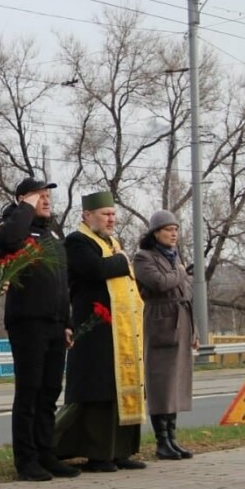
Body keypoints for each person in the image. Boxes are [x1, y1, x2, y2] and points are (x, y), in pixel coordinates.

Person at [0, 177, 78, 482]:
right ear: (21, 199)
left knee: (49, 391)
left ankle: (46, 453)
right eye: (38, 195)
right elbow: (9, 240)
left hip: (55, 322)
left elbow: (62, 279)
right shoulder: (12, 227)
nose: (45, 199)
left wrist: (67, 322)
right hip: (28, 321)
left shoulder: (53, 231)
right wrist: (24, 210)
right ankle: (26, 460)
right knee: (29, 392)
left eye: (47, 195)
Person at [54, 191, 146, 472]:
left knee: (118, 389)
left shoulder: (112, 243)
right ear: (87, 216)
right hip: (92, 328)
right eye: (105, 214)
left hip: (118, 330)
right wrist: (121, 261)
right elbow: (95, 270)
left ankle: (120, 450)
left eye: (113, 214)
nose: (111, 220)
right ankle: (96, 454)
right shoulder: (77, 241)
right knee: (96, 392)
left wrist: (118, 259)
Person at [133, 210, 198, 461]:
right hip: (160, 321)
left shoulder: (176, 258)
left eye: (176, 230)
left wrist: (194, 331)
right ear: (155, 233)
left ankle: (172, 438)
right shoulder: (143, 257)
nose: (174, 234)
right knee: (161, 383)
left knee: (176, 384)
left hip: (181, 319)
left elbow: (186, 293)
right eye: (169, 229)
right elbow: (160, 284)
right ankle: (161, 441)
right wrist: (180, 272)